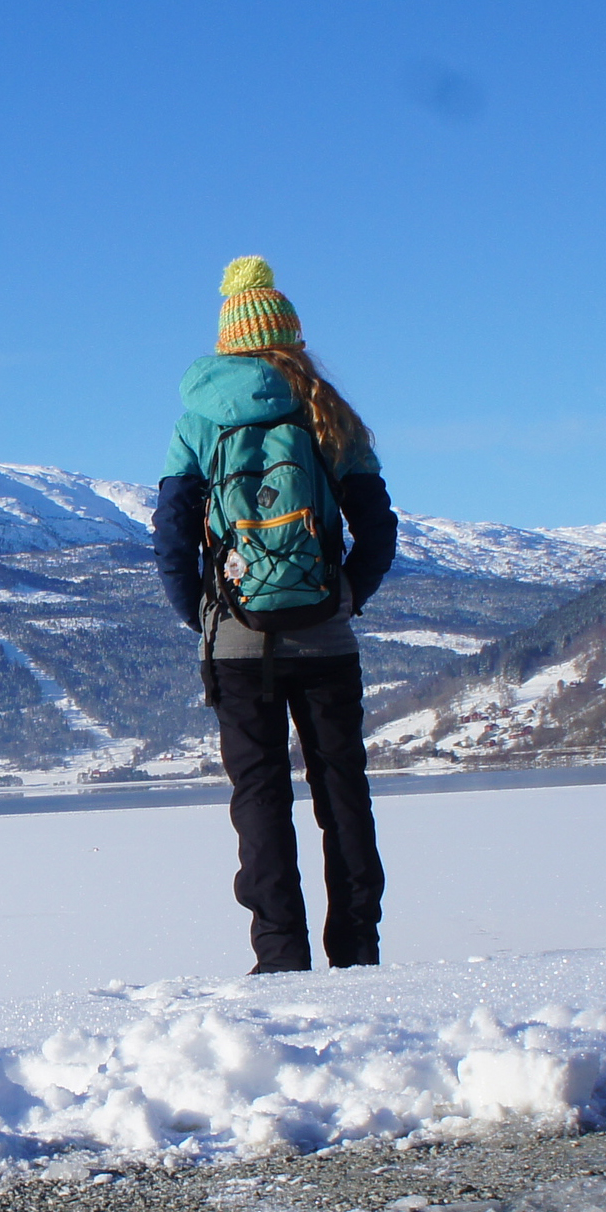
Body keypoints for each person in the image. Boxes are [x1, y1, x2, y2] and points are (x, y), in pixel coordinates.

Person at [150, 256, 399, 974]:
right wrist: (347, 592)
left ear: (229, 339)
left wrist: (202, 614)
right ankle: (357, 950)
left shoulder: (199, 419)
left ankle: (280, 958)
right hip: (325, 637)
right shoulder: (327, 411)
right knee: (341, 794)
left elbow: (170, 534)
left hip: (237, 640)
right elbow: (378, 526)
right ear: (289, 332)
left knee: (259, 800)